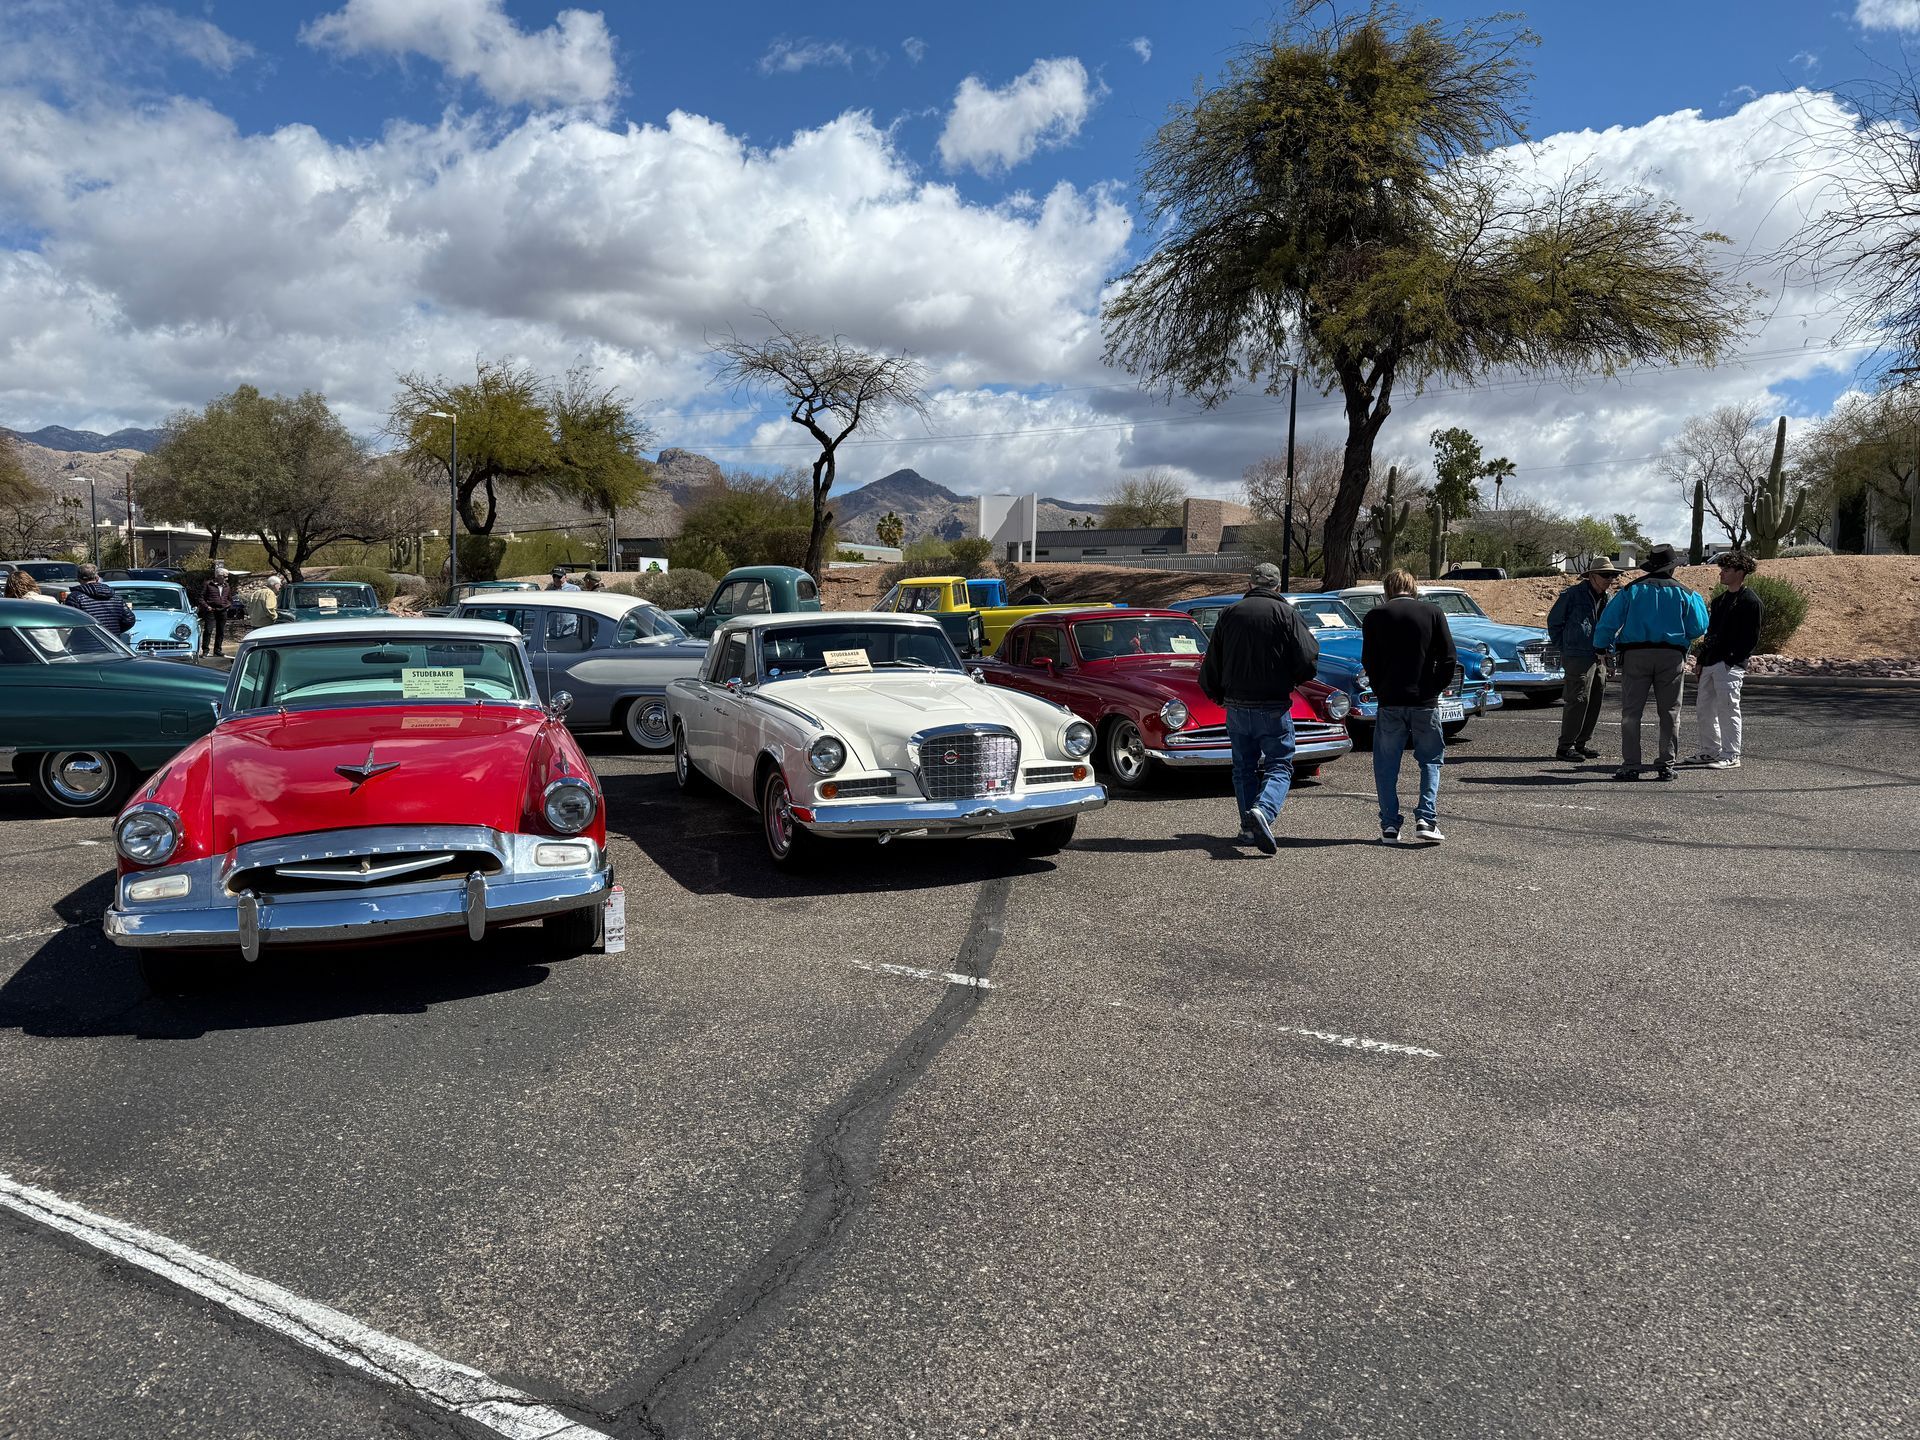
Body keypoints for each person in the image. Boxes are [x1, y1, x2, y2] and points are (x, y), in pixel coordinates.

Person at [1197, 561, 1319, 855]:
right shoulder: (1286, 613)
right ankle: (1263, 810)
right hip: (1273, 704)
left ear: (1250, 584)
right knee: (1279, 764)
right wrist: (1291, 679)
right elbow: (1308, 658)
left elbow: (1212, 661)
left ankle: (1247, 827)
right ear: (1277, 586)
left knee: (1243, 768)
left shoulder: (1229, 613)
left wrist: (1216, 695)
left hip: (1236, 705)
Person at [1591, 542, 1708, 781]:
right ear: (1672, 568)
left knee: (1631, 712)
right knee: (1670, 712)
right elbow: (1698, 627)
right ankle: (1666, 764)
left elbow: (1608, 622)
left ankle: (1631, 765)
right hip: (1671, 656)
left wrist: (1601, 646)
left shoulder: (1631, 590)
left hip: (1636, 655)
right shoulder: (1686, 593)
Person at [1361, 569, 1456, 844]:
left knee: (1386, 765)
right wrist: (1434, 687)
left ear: (1387, 589)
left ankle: (1390, 825)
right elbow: (1449, 657)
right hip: (1424, 700)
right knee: (1430, 761)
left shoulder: (1374, 616)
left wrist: (1380, 689)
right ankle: (1426, 818)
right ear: (1413, 587)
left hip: (1390, 700)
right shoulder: (1432, 613)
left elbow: (1369, 660)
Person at [1682, 549, 1763, 770]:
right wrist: (1701, 659)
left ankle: (1731, 754)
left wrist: (1731, 660)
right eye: (1722, 569)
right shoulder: (1719, 601)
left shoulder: (1750, 601)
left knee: (1728, 709)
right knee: (1704, 708)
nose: (1721, 573)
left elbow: (1751, 638)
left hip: (1730, 665)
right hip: (1710, 662)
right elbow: (1711, 633)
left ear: (1740, 572)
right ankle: (1709, 751)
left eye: (1726, 569)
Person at [1545, 560, 1623, 762]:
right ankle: (1565, 747)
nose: (1610, 579)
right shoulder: (1572, 595)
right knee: (1578, 700)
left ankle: (1581, 743)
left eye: (1613, 575)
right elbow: (1554, 623)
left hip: (1599, 657)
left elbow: (1610, 629)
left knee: (1594, 700)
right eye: (1606, 575)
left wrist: (1610, 658)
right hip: (1577, 656)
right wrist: (1567, 648)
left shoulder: (1608, 598)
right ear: (1592, 575)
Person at [60, 562, 136, 633]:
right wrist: (113, 632)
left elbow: (69, 622)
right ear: (97, 578)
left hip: (85, 640)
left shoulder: (75, 598)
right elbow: (129, 620)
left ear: (79, 579)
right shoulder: (115, 597)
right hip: (111, 641)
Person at [198, 563, 233, 656]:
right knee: (208, 630)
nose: (226, 579)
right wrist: (207, 607)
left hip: (223, 611)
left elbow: (229, 598)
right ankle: (205, 650)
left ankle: (217, 650)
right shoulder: (208, 584)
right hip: (211, 610)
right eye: (225, 577)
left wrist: (227, 606)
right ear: (219, 576)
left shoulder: (227, 586)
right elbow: (201, 597)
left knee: (220, 631)